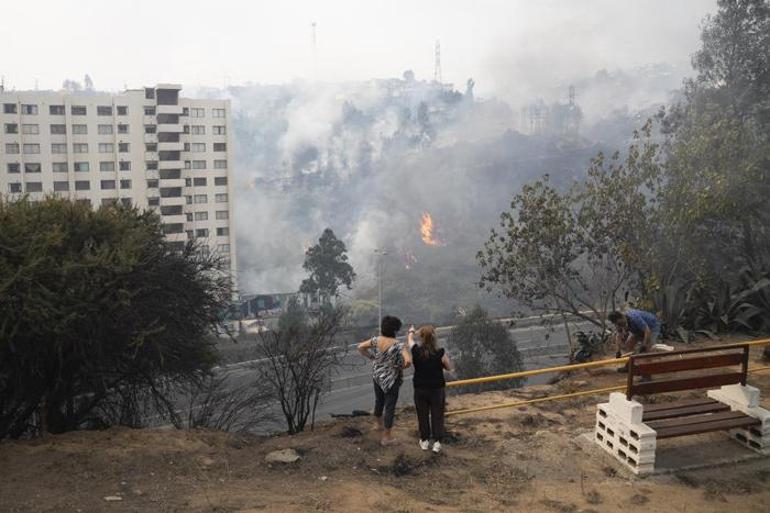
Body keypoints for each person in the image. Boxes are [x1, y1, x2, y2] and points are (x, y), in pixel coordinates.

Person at [357, 315, 411, 446]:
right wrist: (399, 366)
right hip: (391, 379)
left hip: (377, 375)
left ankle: (377, 425)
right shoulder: (398, 345)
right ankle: (387, 437)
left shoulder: (376, 340)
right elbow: (408, 361)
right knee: (390, 406)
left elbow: (360, 347)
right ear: (395, 330)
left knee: (379, 401)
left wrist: (372, 357)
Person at [407, 324, 452, 453]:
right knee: (437, 414)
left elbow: (410, 340)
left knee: (422, 414)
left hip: (420, 388)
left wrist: (411, 331)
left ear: (421, 338)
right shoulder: (440, 352)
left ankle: (425, 440)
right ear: (434, 338)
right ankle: (437, 442)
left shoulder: (416, 351)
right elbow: (448, 367)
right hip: (437, 389)